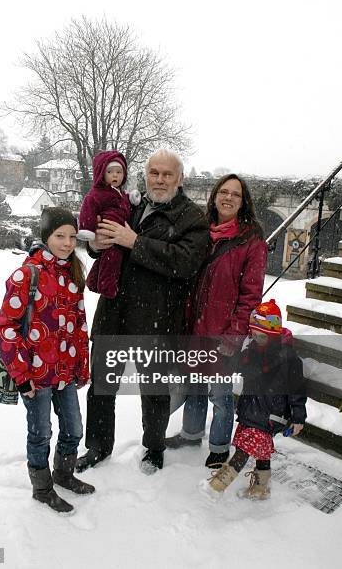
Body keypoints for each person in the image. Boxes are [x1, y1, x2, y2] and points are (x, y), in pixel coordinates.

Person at [75, 149, 210, 474]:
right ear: (145, 175)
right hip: (114, 311)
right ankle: (98, 446)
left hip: (158, 319)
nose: (160, 180)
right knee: (102, 385)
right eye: (154, 173)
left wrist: (135, 242)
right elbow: (98, 241)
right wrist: (96, 245)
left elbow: (185, 262)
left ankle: (153, 447)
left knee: (154, 390)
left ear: (179, 178)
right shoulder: (127, 203)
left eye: (167, 174)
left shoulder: (192, 217)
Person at [0, 207, 95, 513]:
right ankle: (42, 488)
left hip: (65, 372)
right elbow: (6, 327)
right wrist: (22, 376)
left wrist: (81, 367)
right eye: (60, 236)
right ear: (46, 237)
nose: (67, 243)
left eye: (72, 237)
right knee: (41, 434)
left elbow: (79, 325)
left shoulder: (72, 273)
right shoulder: (27, 274)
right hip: (35, 376)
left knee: (74, 429)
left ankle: (64, 474)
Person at [166, 173, 268, 468]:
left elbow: (251, 296)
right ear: (214, 197)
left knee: (220, 395)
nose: (228, 198)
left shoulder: (251, 241)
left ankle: (220, 447)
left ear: (243, 201)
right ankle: (190, 434)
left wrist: (234, 335)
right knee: (195, 386)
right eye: (223, 192)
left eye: (235, 194)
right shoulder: (201, 232)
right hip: (194, 328)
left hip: (223, 332)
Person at [207, 299, 307, 499]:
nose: (256, 338)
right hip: (250, 411)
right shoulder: (250, 352)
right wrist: (225, 357)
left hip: (271, 415)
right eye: (254, 334)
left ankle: (216, 486)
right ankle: (261, 488)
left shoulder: (288, 358)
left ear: (273, 334)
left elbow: (297, 390)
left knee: (243, 451)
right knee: (261, 452)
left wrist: (298, 418)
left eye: (262, 336)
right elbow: (238, 366)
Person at [78, 150, 140, 299]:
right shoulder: (97, 193)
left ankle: (93, 282)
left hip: (118, 233)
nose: (115, 175)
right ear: (102, 173)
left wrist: (132, 198)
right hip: (108, 232)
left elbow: (124, 202)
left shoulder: (118, 192)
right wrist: (88, 229)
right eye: (110, 171)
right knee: (110, 261)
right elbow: (88, 208)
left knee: (107, 261)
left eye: (119, 172)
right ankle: (107, 287)